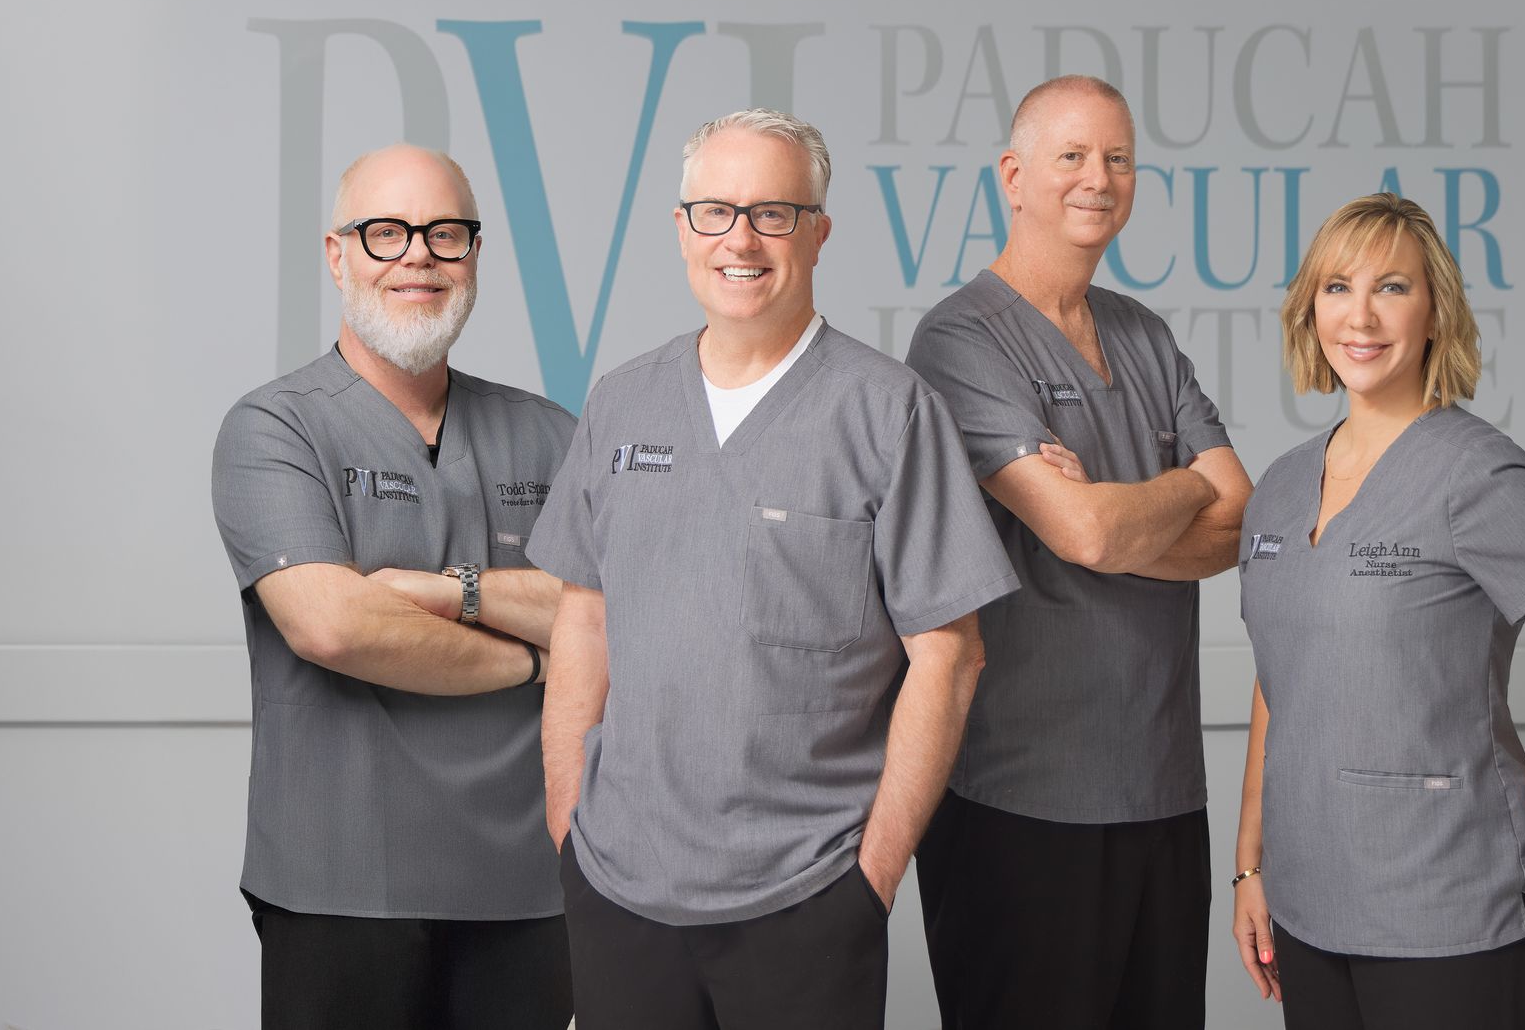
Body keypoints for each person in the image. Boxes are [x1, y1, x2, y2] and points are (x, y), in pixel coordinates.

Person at [528, 109, 1018, 1030]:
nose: (740, 239)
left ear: (820, 232)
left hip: (809, 896)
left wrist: (870, 877)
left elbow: (950, 658)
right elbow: (584, 621)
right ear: (681, 231)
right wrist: (569, 829)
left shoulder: (889, 412)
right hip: (618, 888)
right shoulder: (622, 402)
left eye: (774, 213)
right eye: (714, 212)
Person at [1230, 191, 1525, 1030]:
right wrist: (1250, 865)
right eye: (1337, 287)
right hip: (1307, 896)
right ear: (1309, 309)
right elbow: (1275, 677)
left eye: (1392, 287)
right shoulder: (1283, 486)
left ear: (1435, 311)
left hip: (1448, 900)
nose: (1360, 314)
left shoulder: (1476, 474)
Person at [905, 75, 1253, 1029]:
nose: (1098, 179)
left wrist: (1114, 501)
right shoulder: (959, 341)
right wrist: (1179, 486)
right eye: (1071, 156)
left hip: (1162, 793)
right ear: (1014, 176)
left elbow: (1242, 514)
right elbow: (1086, 532)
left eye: (1118, 158)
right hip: (1020, 805)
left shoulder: (1144, 333)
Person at [210, 144, 576, 1029]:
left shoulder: (550, 431)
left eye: (445, 234)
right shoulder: (275, 427)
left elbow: (609, 614)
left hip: (530, 887)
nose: (418, 255)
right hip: (340, 883)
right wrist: (535, 660)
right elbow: (333, 626)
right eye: (386, 232)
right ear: (338, 255)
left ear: (475, 257)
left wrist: (447, 591)